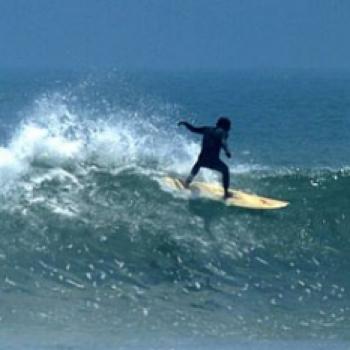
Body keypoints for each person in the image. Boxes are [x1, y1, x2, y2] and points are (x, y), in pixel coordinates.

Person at [178, 116, 232, 199]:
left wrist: (185, 123)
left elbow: (193, 129)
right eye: (229, 126)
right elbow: (223, 141)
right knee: (225, 170)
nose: (229, 128)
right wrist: (227, 151)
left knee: (197, 165)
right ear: (225, 126)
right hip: (213, 161)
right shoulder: (223, 132)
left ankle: (187, 183)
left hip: (202, 160)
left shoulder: (207, 129)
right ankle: (226, 194)